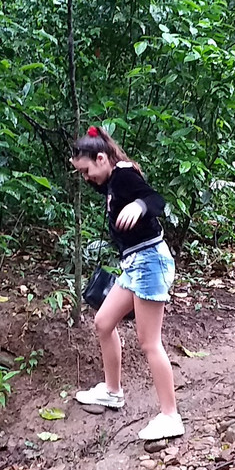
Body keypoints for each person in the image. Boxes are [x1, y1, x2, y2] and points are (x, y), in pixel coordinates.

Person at [69, 126, 183, 441]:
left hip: (150, 262)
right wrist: (83, 157)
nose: (86, 177)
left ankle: (170, 415)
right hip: (134, 264)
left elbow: (155, 199)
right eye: (81, 172)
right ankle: (112, 391)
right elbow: (100, 181)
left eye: (87, 169)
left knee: (149, 342)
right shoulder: (109, 180)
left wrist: (140, 206)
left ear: (103, 159)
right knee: (103, 323)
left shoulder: (123, 175)